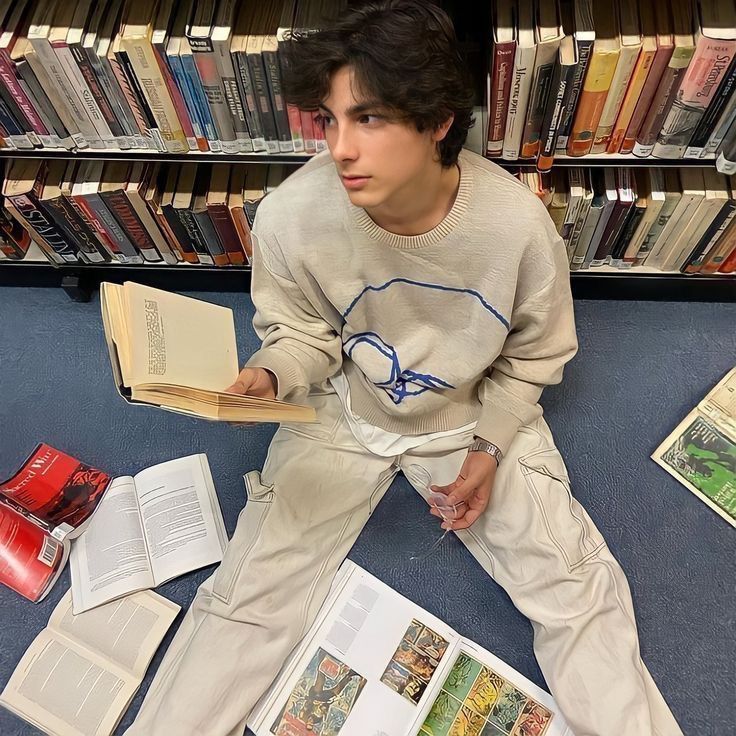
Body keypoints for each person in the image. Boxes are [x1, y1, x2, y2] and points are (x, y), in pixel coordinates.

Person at [127, 2, 683, 735]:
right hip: (341, 406)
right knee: (248, 600)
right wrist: (269, 375)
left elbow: (536, 356)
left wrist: (489, 450)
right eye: (329, 120)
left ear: (438, 122)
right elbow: (302, 334)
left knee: (573, 589)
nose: (342, 149)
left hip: (469, 413)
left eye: (371, 119)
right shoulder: (293, 217)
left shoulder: (515, 226)